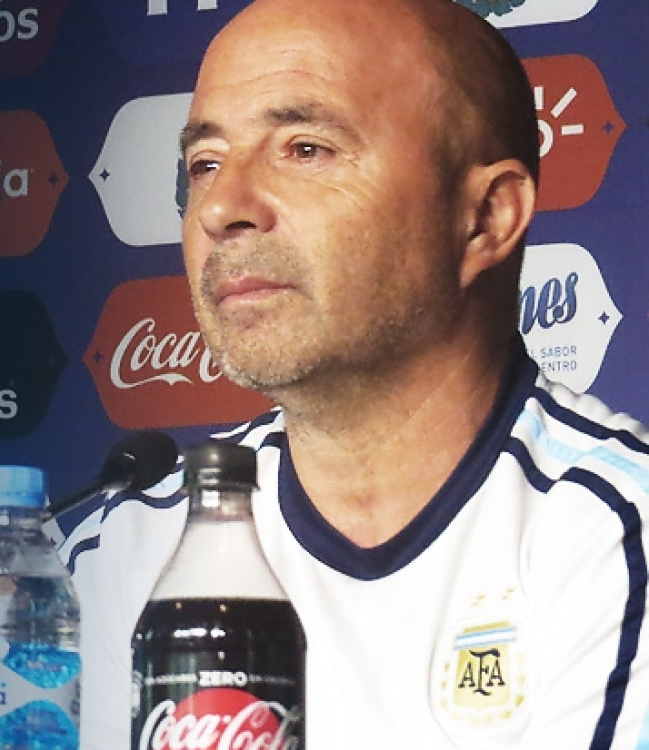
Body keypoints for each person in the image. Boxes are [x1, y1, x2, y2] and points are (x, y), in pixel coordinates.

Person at [56, 0, 649, 747]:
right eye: (204, 164)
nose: (221, 208)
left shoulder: (618, 529)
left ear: (486, 218)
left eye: (304, 149)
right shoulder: (130, 549)